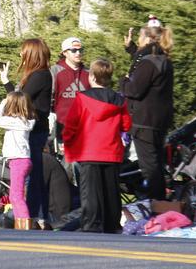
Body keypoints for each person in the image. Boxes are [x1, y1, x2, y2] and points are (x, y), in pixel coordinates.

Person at [62, 59, 131, 233]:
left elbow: (71, 125)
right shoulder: (119, 100)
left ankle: (91, 224)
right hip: (112, 150)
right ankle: (112, 225)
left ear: (91, 77)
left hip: (89, 150)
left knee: (90, 191)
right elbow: (126, 125)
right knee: (111, 190)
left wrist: (68, 143)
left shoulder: (82, 98)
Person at [0, 38, 52, 228]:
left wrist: (7, 86)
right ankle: (33, 215)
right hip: (35, 130)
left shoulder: (39, 76)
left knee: (32, 175)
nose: (21, 55)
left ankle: (32, 216)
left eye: (23, 51)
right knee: (33, 174)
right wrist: (6, 82)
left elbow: (19, 101)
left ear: (31, 54)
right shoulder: (39, 75)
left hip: (34, 132)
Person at [120, 21, 174, 201]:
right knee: (156, 163)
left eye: (141, 37)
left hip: (145, 122)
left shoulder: (149, 63)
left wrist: (124, 81)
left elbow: (135, 90)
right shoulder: (164, 60)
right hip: (159, 120)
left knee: (150, 167)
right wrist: (131, 49)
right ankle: (159, 203)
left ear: (148, 38)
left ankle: (157, 206)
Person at [0, 91, 37, 230]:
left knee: (16, 196)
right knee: (15, 195)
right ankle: (20, 224)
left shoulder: (15, 122)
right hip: (22, 161)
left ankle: (24, 226)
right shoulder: (25, 120)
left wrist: (3, 102)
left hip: (18, 161)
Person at [50, 36, 91, 151]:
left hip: (85, 128)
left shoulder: (88, 73)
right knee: (66, 165)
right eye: (73, 50)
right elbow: (49, 97)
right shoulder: (55, 71)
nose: (78, 53)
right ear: (65, 53)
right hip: (62, 128)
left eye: (80, 50)